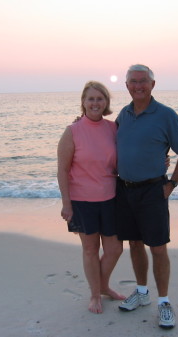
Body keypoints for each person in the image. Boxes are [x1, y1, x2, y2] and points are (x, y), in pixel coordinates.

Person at [115, 64, 178, 329]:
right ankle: (142, 292)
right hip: (124, 190)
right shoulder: (122, 116)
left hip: (153, 190)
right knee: (135, 244)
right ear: (126, 86)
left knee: (157, 248)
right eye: (133, 82)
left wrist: (172, 183)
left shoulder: (166, 115)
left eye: (143, 81)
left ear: (152, 84)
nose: (138, 86)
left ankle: (164, 302)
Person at [57, 81, 125, 314]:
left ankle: (103, 285)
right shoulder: (72, 131)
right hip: (82, 200)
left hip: (111, 198)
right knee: (90, 250)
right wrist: (66, 204)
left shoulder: (113, 128)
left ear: (106, 103)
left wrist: (161, 160)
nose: (95, 103)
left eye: (100, 98)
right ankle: (95, 294)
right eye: (91, 99)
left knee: (115, 249)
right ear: (83, 102)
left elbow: (129, 155)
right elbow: (62, 170)